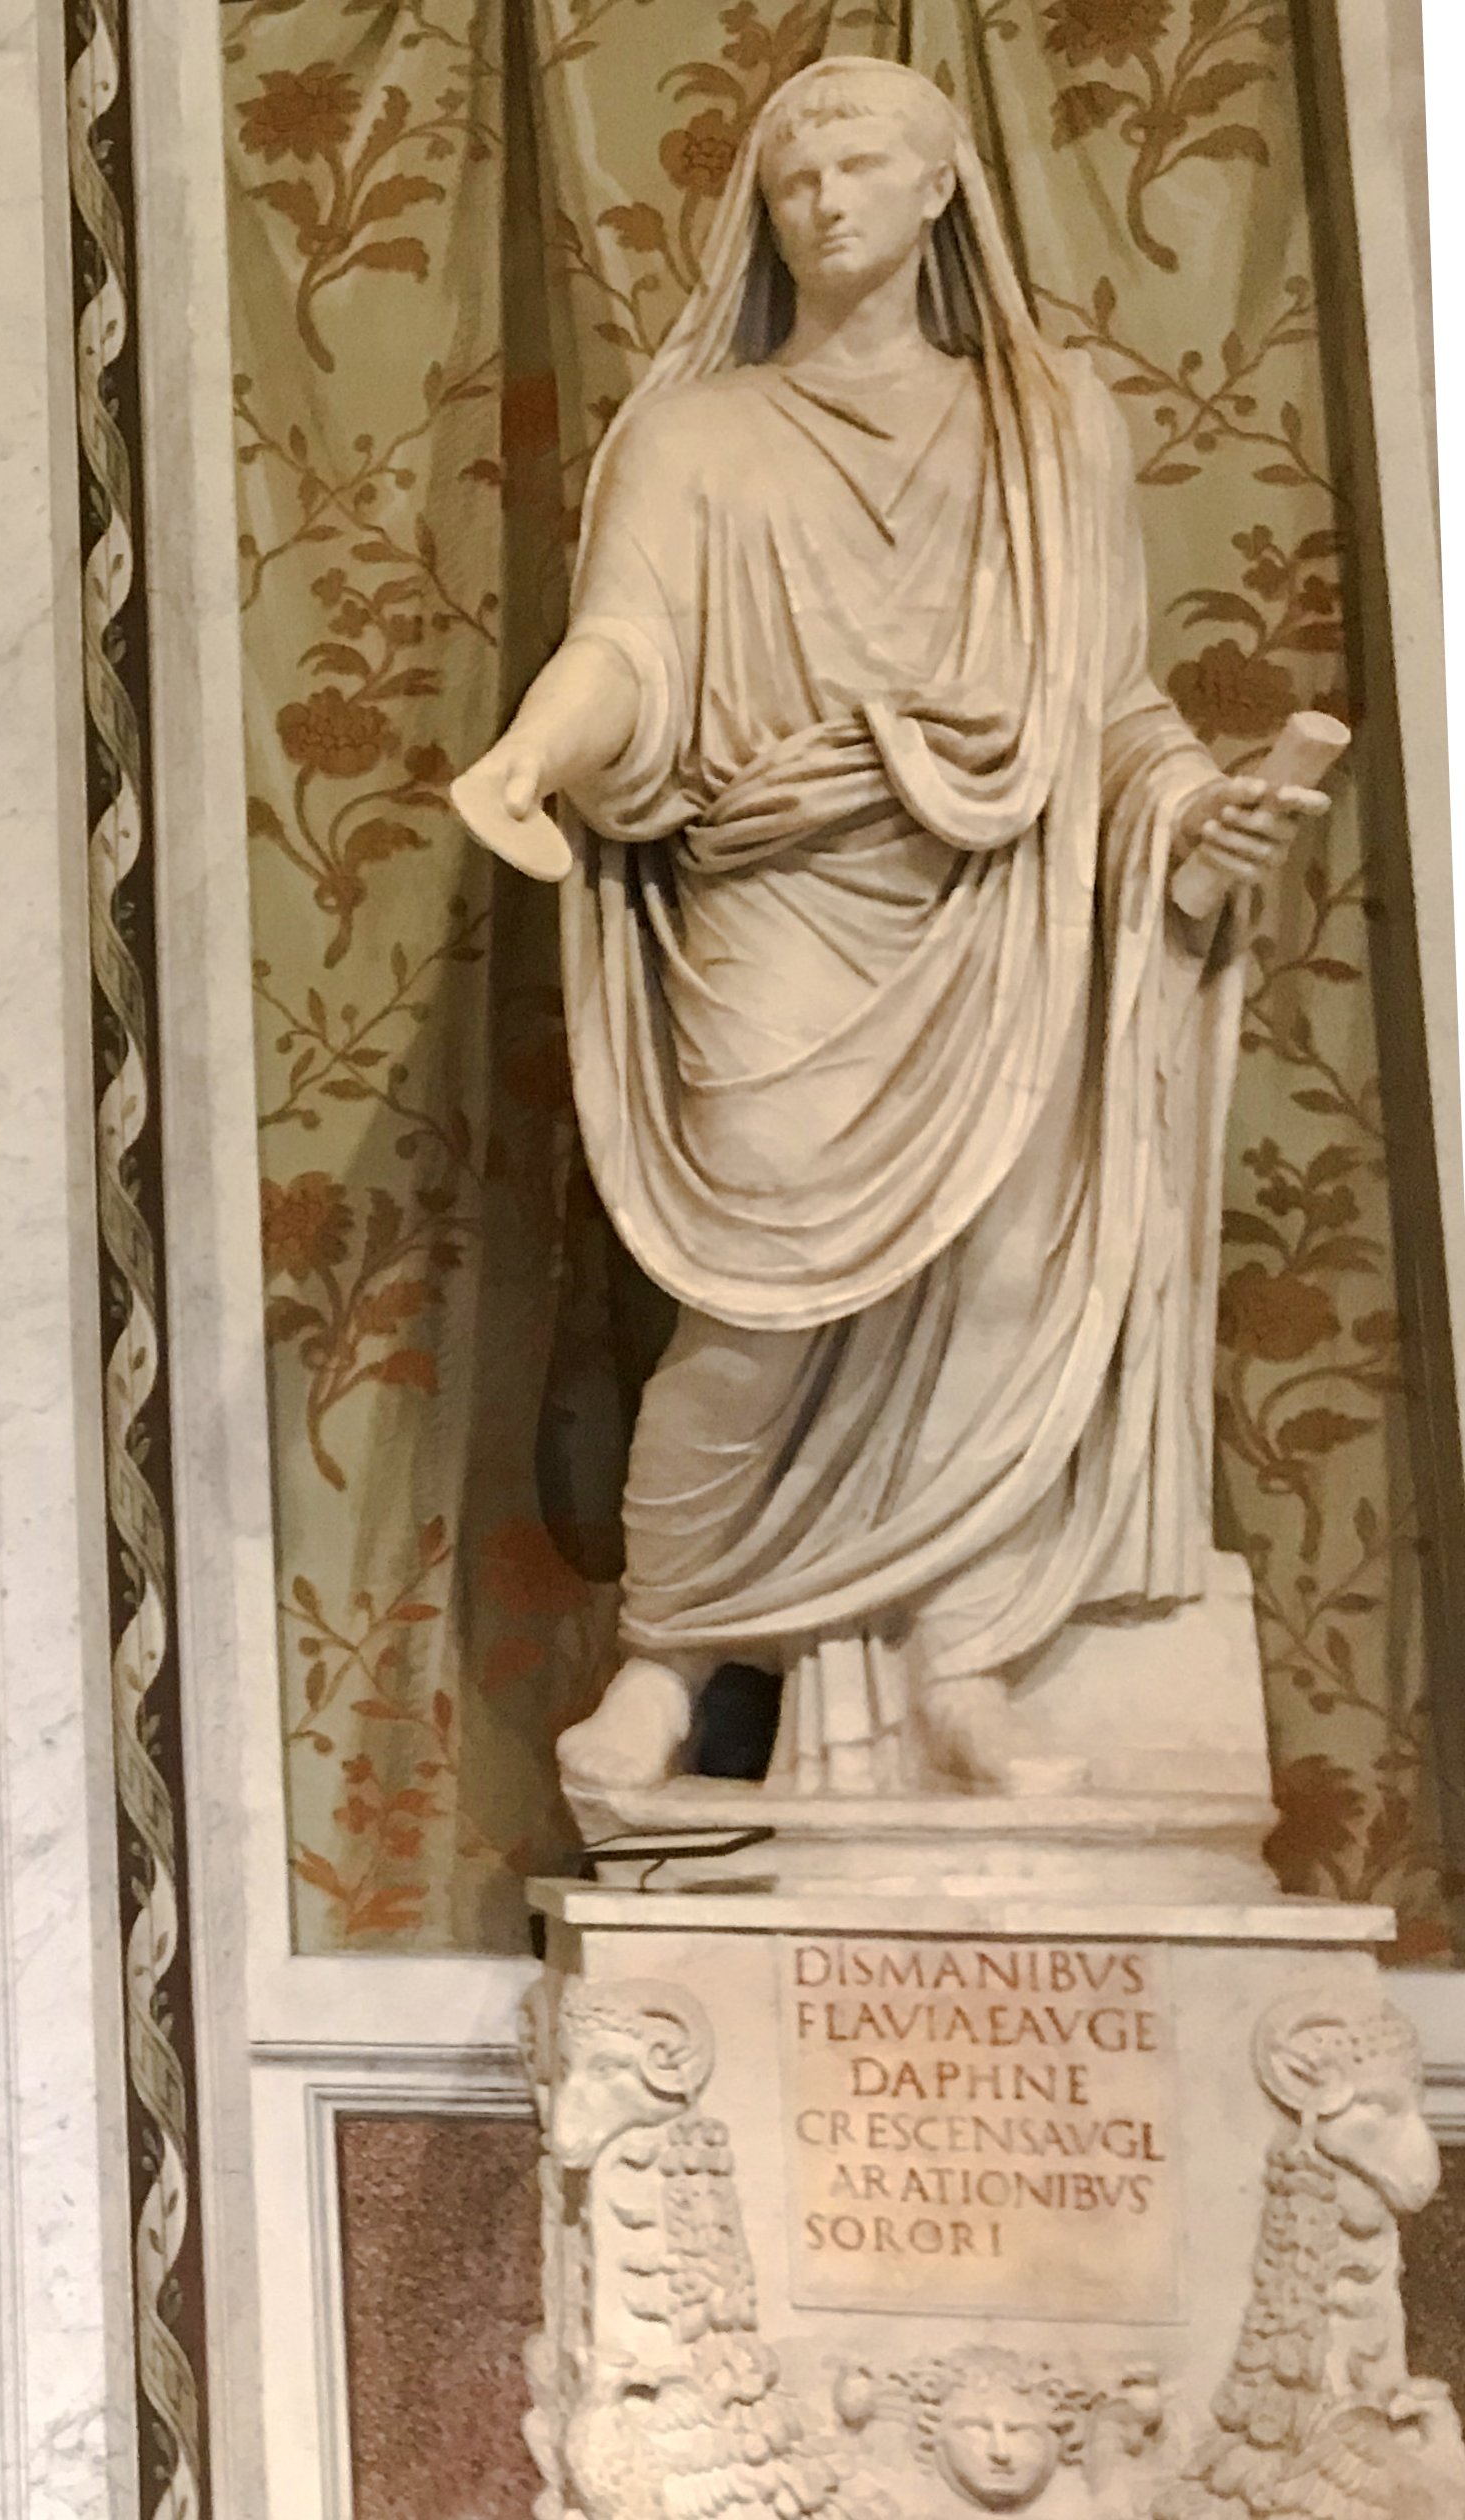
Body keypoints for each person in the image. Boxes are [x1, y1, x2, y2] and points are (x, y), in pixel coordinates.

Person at [453, 59, 1324, 1798]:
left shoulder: (1049, 420)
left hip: (998, 907)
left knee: (1003, 1280)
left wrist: (1189, 810)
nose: (824, 202)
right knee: (753, 1289)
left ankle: (961, 1657)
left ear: (941, 193)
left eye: (861, 169)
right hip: (780, 898)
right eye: (794, 179)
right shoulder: (694, 435)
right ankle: (667, 1654)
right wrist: (528, 758)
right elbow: (627, 649)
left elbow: (1102, 694)